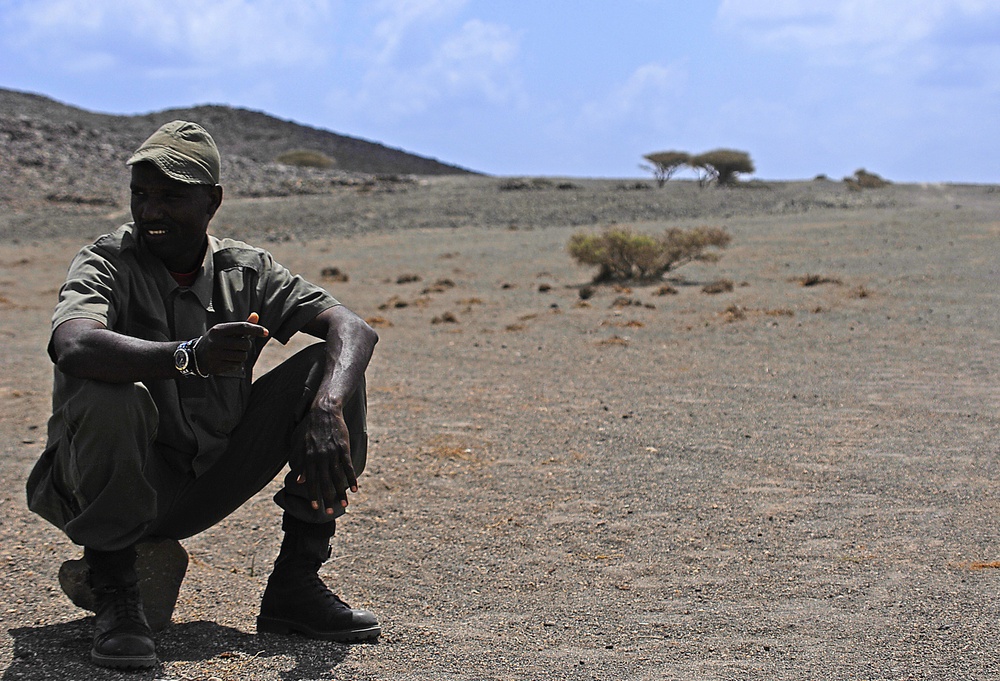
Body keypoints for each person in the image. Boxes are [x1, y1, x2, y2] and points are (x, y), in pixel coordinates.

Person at [25, 120, 381, 669]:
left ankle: (296, 584)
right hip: (97, 483)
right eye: (141, 195)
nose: (151, 212)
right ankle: (117, 591)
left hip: (200, 482)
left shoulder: (244, 270)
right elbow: (72, 345)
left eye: (171, 196)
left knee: (331, 370)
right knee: (109, 393)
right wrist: (187, 355)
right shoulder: (108, 261)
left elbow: (353, 328)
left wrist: (328, 408)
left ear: (212, 201)